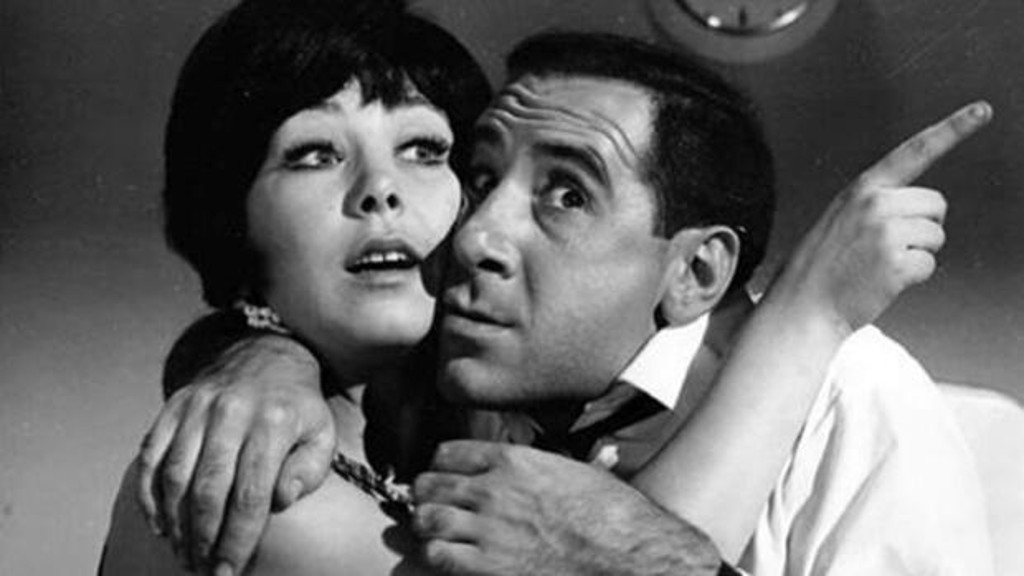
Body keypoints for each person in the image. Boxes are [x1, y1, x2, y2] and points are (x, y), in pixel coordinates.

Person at [115, 18, 992, 576]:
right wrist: (256, 352)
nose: (478, 234)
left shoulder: (849, 400)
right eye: (480, 177)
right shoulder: (464, 368)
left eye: (567, 193)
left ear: (696, 273)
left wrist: (643, 556)